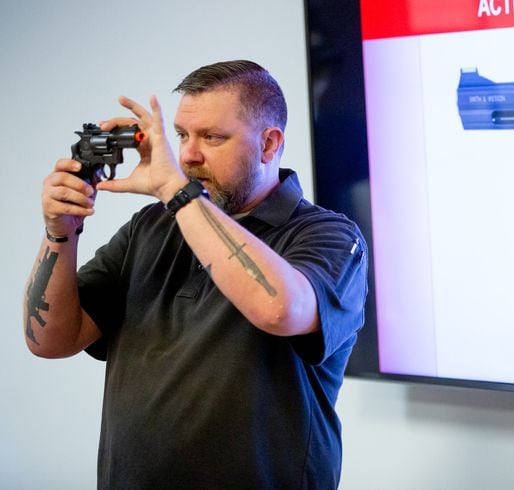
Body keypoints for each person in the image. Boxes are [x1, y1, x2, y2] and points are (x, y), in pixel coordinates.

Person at [23, 60, 368, 489]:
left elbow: (280, 309)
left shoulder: (329, 235)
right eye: (183, 135)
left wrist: (176, 192)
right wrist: (60, 234)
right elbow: (51, 340)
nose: (188, 154)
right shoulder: (151, 226)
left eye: (213, 137)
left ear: (268, 144)